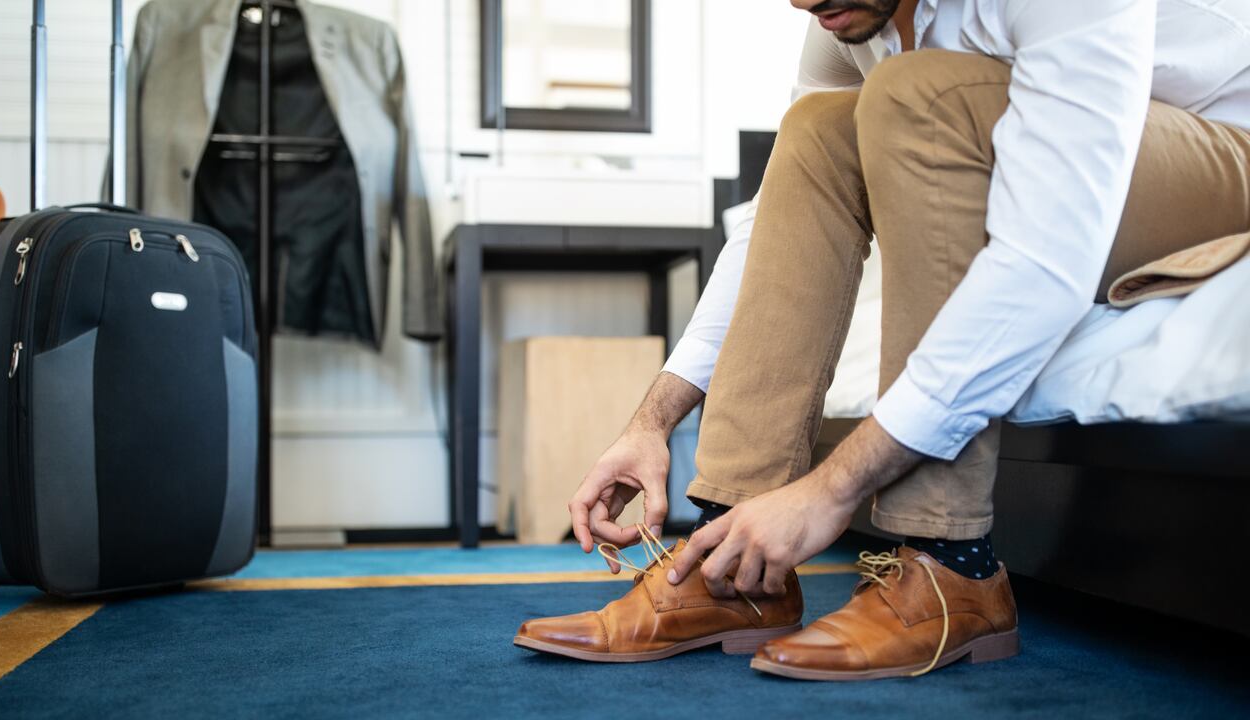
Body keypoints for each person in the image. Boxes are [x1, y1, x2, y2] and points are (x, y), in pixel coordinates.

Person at [513, 0, 1250, 680]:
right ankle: (730, 565)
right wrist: (654, 421)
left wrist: (832, 491)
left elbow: (1045, 266)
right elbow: (781, 211)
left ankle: (951, 563)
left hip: (1221, 160)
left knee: (914, 94)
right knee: (816, 132)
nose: (802, 2)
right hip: (1045, 154)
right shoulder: (842, 12)